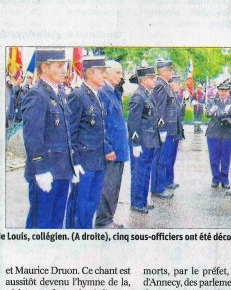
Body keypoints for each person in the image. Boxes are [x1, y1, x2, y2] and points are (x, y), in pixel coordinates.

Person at [21, 49, 74, 228]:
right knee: (40, 225)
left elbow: (64, 133)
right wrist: (40, 169)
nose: (64, 70)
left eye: (64, 66)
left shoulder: (59, 93)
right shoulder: (37, 94)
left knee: (56, 223)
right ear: (44, 67)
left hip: (61, 171)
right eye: (59, 66)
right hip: (46, 172)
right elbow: (32, 135)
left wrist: (73, 164)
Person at [65, 56, 108, 229]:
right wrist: (74, 161)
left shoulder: (96, 95)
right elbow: (70, 131)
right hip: (83, 160)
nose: (104, 75)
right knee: (79, 206)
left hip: (97, 159)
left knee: (91, 204)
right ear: (89, 73)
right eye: (101, 72)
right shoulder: (78, 95)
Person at [95, 60, 128, 229]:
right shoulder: (103, 93)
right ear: (106, 73)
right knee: (107, 187)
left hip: (119, 149)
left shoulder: (113, 92)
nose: (121, 76)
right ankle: (103, 221)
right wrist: (107, 147)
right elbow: (103, 124)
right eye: (117, 72)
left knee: (114, 187)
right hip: (111, 150)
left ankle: (109, 218)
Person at [127, 66, 161, 214]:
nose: (154, 80)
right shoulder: (138, 96)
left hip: (150, 139)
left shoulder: (147, 94)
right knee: (139, 172)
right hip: (142, 141)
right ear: (143, 80)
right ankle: (136, 202)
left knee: (146, 171)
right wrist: (135, 143)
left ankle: (143, 200)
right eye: (152, 78)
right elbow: (132, 122)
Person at [150, 59, 176, 199]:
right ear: (163, 71)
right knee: (160, 159)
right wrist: (161, 128)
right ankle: (157, 188)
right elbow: (159, 109)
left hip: (169, 129)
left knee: (163, 158)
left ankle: (159, 185)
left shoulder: (164, 85)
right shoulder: (160, 86)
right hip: (164, 129)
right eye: (169, 70)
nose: (171, 72)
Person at [205, 81, 231, 189]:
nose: (223, 93)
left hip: (228, 132)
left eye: (226, 91)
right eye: (221, 91)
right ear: (218, 91)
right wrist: (213, 110)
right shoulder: (213, 101)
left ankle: (225, 179)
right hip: (214, 132)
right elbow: (207, 114)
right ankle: (215, 178)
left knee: (226, 157)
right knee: (214, 157)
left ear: (228, 91)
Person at [165, 75, 186, 189]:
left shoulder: (176, 97)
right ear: (171, 84)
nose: (179, 86)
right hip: (170, 131)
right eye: (177, 83)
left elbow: (180, 116)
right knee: (167, 157)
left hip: (176, 131)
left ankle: (170, 180)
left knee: (172, 157)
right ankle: (166, 181)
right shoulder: (169, 96)